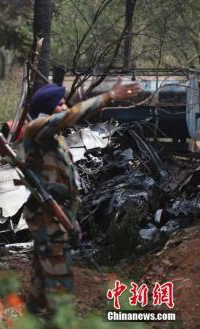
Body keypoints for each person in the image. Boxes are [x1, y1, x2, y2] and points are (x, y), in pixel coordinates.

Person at [23, 78, 141, 316]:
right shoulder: (36, 129)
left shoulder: (55, 139)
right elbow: (71, 115)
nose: (66, 107)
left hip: (56, 219)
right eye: (60, 104)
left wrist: (72, 219)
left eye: (66, 103)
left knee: (40, 284)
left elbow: (65, 186)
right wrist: (108, 97)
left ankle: (34, 319)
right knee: (59, 287)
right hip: (47, 220)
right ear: (47, 109)